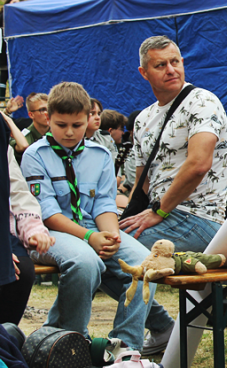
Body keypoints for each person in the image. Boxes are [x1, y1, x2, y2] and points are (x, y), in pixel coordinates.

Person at [20, 82, 157, 350]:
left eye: (77, 125)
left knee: (145, 263)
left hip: (92, 228)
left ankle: (125, 347)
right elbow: (46, 212)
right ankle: (70, 342)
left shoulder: (101, 155)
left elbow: (104, 203)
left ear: (88, 120)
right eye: (61, 125)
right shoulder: (34, 156)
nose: (70, 132)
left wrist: (111, 235)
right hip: (50, 233)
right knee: (85, 262)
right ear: (47, 118)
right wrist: (90, 237)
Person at [119, 35, 227, 354]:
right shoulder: (143, 118)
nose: (171, 69)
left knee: (126, 251)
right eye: (160, 65)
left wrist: (160, 211)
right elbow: (142, 181)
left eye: (175, 61)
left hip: (200, 219)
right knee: (104, 244)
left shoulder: (202, 102)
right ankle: (161, 326)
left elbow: (198, 164)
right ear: (144, 72)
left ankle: (123, 348)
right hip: (162, 216)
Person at [1, 145, 55, 325]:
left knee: (21, 271)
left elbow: (18, 194)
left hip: (3, 231)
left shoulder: (3, 147)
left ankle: (5, 341)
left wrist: (34, 231)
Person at [11, 93, 49, 163]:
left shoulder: (57, 134)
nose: (47, 113)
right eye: (42, 110)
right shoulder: (24, 138)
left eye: (49, 109)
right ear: (31, 115)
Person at [86, 99, 118, 164]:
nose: (97, 118)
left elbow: (114, 162)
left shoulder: (106, 138)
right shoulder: (74, 139)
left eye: (99, 114)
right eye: (92, 114)